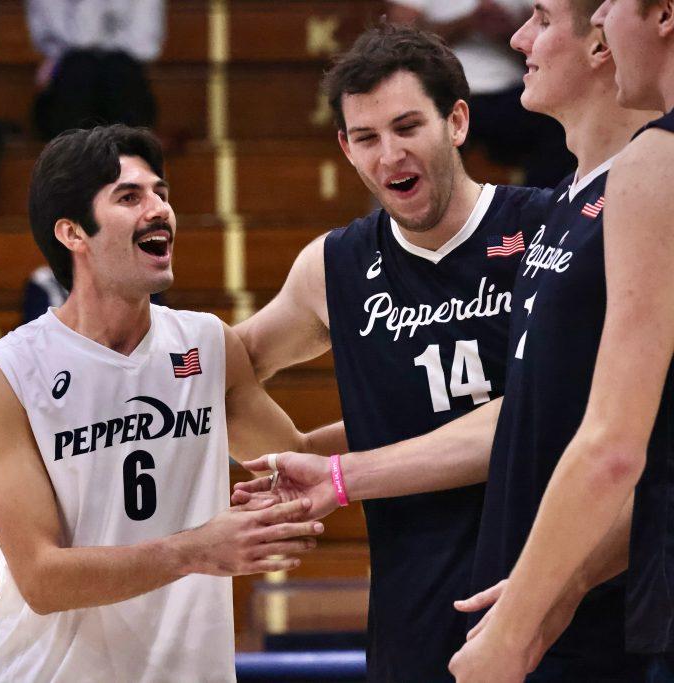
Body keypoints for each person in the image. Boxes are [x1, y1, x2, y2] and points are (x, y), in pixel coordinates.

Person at [234, 2, 655, 679]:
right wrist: (297, 457)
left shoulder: (549, 224)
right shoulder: (335, 265)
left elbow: (546, 413)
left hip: (558, 613)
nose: (390, 154)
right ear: (345, 146)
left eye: (406, 127)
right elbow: (228, 364)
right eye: (366, 136)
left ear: (457, 120)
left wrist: (338, 472)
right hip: (412, 617)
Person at [0, 124, 336, 682]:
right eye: (130, 197)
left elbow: (296, 455)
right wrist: (198, 550)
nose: (158, 209)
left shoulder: (205, 345)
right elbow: (41, 578)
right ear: (72, 233)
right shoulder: (1, 372)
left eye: (161, 193)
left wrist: (436, 423)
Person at [445, 0, 674, 679]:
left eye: (541, 17)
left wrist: (519, 627)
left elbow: (613, 445)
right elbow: (527, 411)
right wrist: (340, 472)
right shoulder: (568, 200)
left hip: (601, 623)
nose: (519, 37)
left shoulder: (650, 172)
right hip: (561, 592)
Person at [388, 0, 576, 187]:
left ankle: (540, 211)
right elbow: (401, 40)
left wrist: (508, 29)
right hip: (442, 86)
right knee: (421, 134)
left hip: (512, 89)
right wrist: (467, 23)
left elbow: (552, 33)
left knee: (561, 126)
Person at [26, 0, 163, 140]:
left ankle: (125, 150)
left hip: (121, 83)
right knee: (81, 67)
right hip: (68, 84)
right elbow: (77, 40)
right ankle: (71, 152)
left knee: (117, 68)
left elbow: (145, 47)